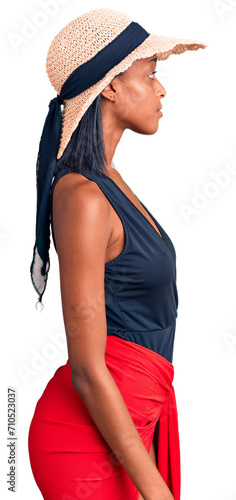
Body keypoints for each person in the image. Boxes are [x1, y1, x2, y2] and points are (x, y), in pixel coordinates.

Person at [28, 8, 207, 500]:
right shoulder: (83, 197)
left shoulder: (109, 184)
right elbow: (86, 368)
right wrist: (155, 488)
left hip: (131, 427)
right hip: (85, 443)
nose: (161, 90)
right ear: (109, 87)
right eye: (150, 76)